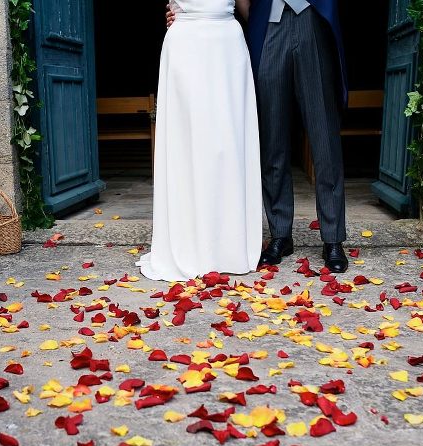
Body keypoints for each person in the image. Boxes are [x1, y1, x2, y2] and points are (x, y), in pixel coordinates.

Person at [137, 0, 263, 282]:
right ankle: (190, 242)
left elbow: (248, 9)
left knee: (227, 143)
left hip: (226, 45)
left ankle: (229, 245)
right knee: (187, 141)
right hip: (186, 41)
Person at [248, 0, 349, 272]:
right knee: (272, 141)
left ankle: (333, 239)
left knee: (324, 140)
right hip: (268, 25)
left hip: (311, 20)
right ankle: (280, 234)